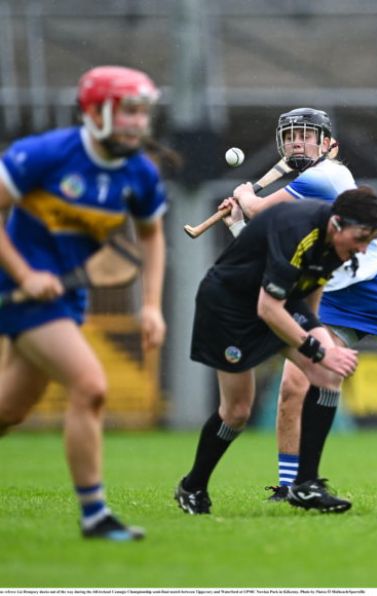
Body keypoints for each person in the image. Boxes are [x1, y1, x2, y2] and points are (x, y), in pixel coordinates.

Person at [175, 107, 377, 515]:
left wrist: (244, 198)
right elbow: (275, 250)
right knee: (297, 386)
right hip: (326, 292)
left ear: (330, 145)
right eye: (291, 136)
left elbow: (264, 214)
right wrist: (241, 221)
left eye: (307, 136)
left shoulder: (327, 175)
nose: (297, 142)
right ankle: (294, 483)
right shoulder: (302, 199)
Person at [0, 65, 168, 540]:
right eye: (127, 111)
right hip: (16, 288)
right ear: (95, 112)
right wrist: (25, 273)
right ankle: (95, 515)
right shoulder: (45, 154)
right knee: (90, 385)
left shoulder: (139, 174)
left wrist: (152, 305)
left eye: (142, 112)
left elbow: (152, 236)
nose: (137, 123)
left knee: (9, 410)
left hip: (63, 296)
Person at [174, 186, 377, 515]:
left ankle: (306, 485)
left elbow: (310, 298)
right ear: (337, 224)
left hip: (277, 302)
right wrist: (317, 348)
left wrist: (321, 342)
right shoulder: (297, 229)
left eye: (369, 241)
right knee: (237, 412)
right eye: (360, 238)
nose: (362, 248)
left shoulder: (339, 246)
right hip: (230, 308)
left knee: (328, 374)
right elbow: (267, 309)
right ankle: (192, 486)